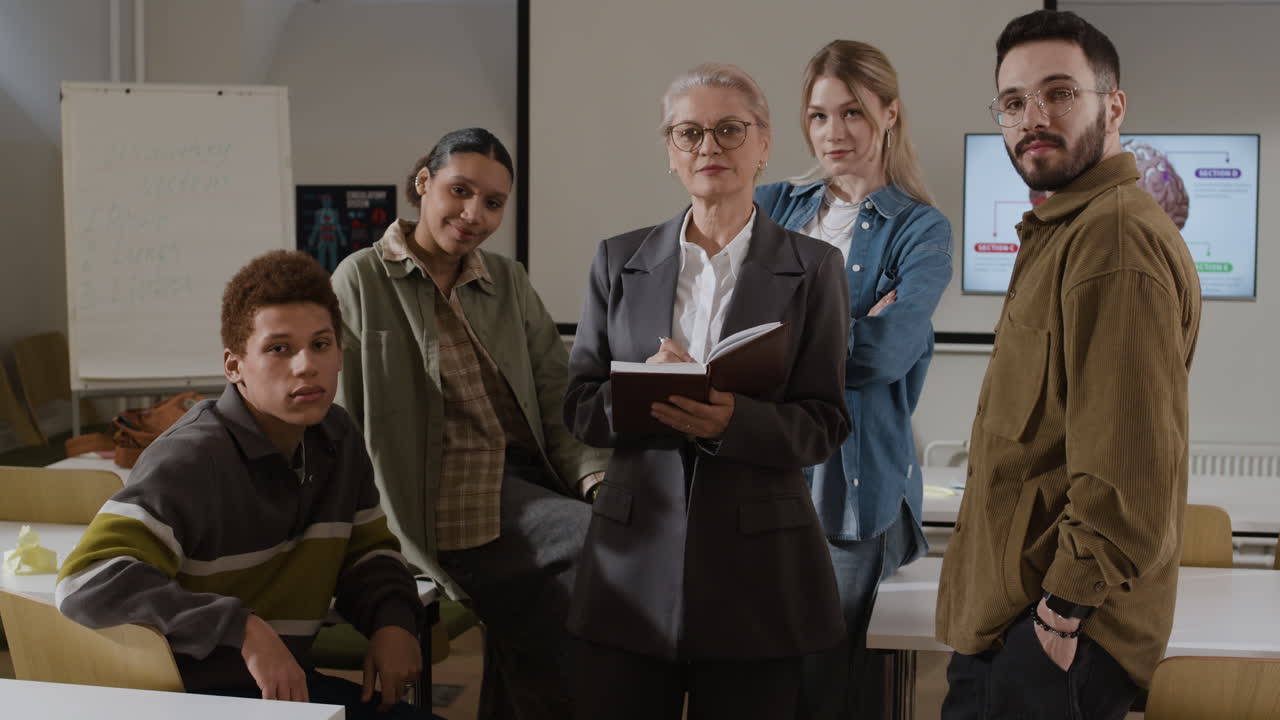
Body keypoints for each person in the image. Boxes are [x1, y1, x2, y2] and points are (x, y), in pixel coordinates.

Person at [935, 10, 1202, 720]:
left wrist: (1056, 620)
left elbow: (1128, 470)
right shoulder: (1068, 229)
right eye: (1014, 101)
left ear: (1112, 106)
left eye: (1059, 94)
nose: (1033, 118)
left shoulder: (1112, 240)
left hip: (1058, 639)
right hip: (1021, 622)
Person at [563, 63, 850, 720]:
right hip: (630, 571)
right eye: (689, 133)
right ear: (670, 151)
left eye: (729, 130)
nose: (708, 148)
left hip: (759, 577)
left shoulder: (815, 269)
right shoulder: (618, 259)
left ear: (764, 144)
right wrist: (644, 391)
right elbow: (580, 406)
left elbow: (825, 422)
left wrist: (732, 422)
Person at [57, 251, 434, 719]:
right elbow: (86, 582)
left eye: (321, 344)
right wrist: (243, 628)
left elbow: (366, 552)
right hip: (191, 701)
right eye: (279, 348)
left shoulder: (338, 436)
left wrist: (392, 621)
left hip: (288, 692)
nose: (305, 366)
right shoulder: (193, 458)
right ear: (234, 366)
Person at [331, 128, 609, 720]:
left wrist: (593, 477)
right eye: (459, 191)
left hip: (525, 486)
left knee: (563, 596)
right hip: (438, 497)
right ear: (424, 183)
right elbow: (341, 417)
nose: (473, 214)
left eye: (492, 203)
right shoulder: (360, 278)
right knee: (590, 547)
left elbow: (556, 388)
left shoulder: (506, 279)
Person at [755, 39, 953, 720]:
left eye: (852, 113)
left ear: (890, 113)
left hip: (851, 492)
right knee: (759, 677)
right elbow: (721, 332)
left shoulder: (919, 230)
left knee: (828, 687)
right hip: (761, 476)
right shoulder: (773, 205)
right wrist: (848, 322)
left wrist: (782, 337)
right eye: (817, 116)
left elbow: (881, 357)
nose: (832, 134)